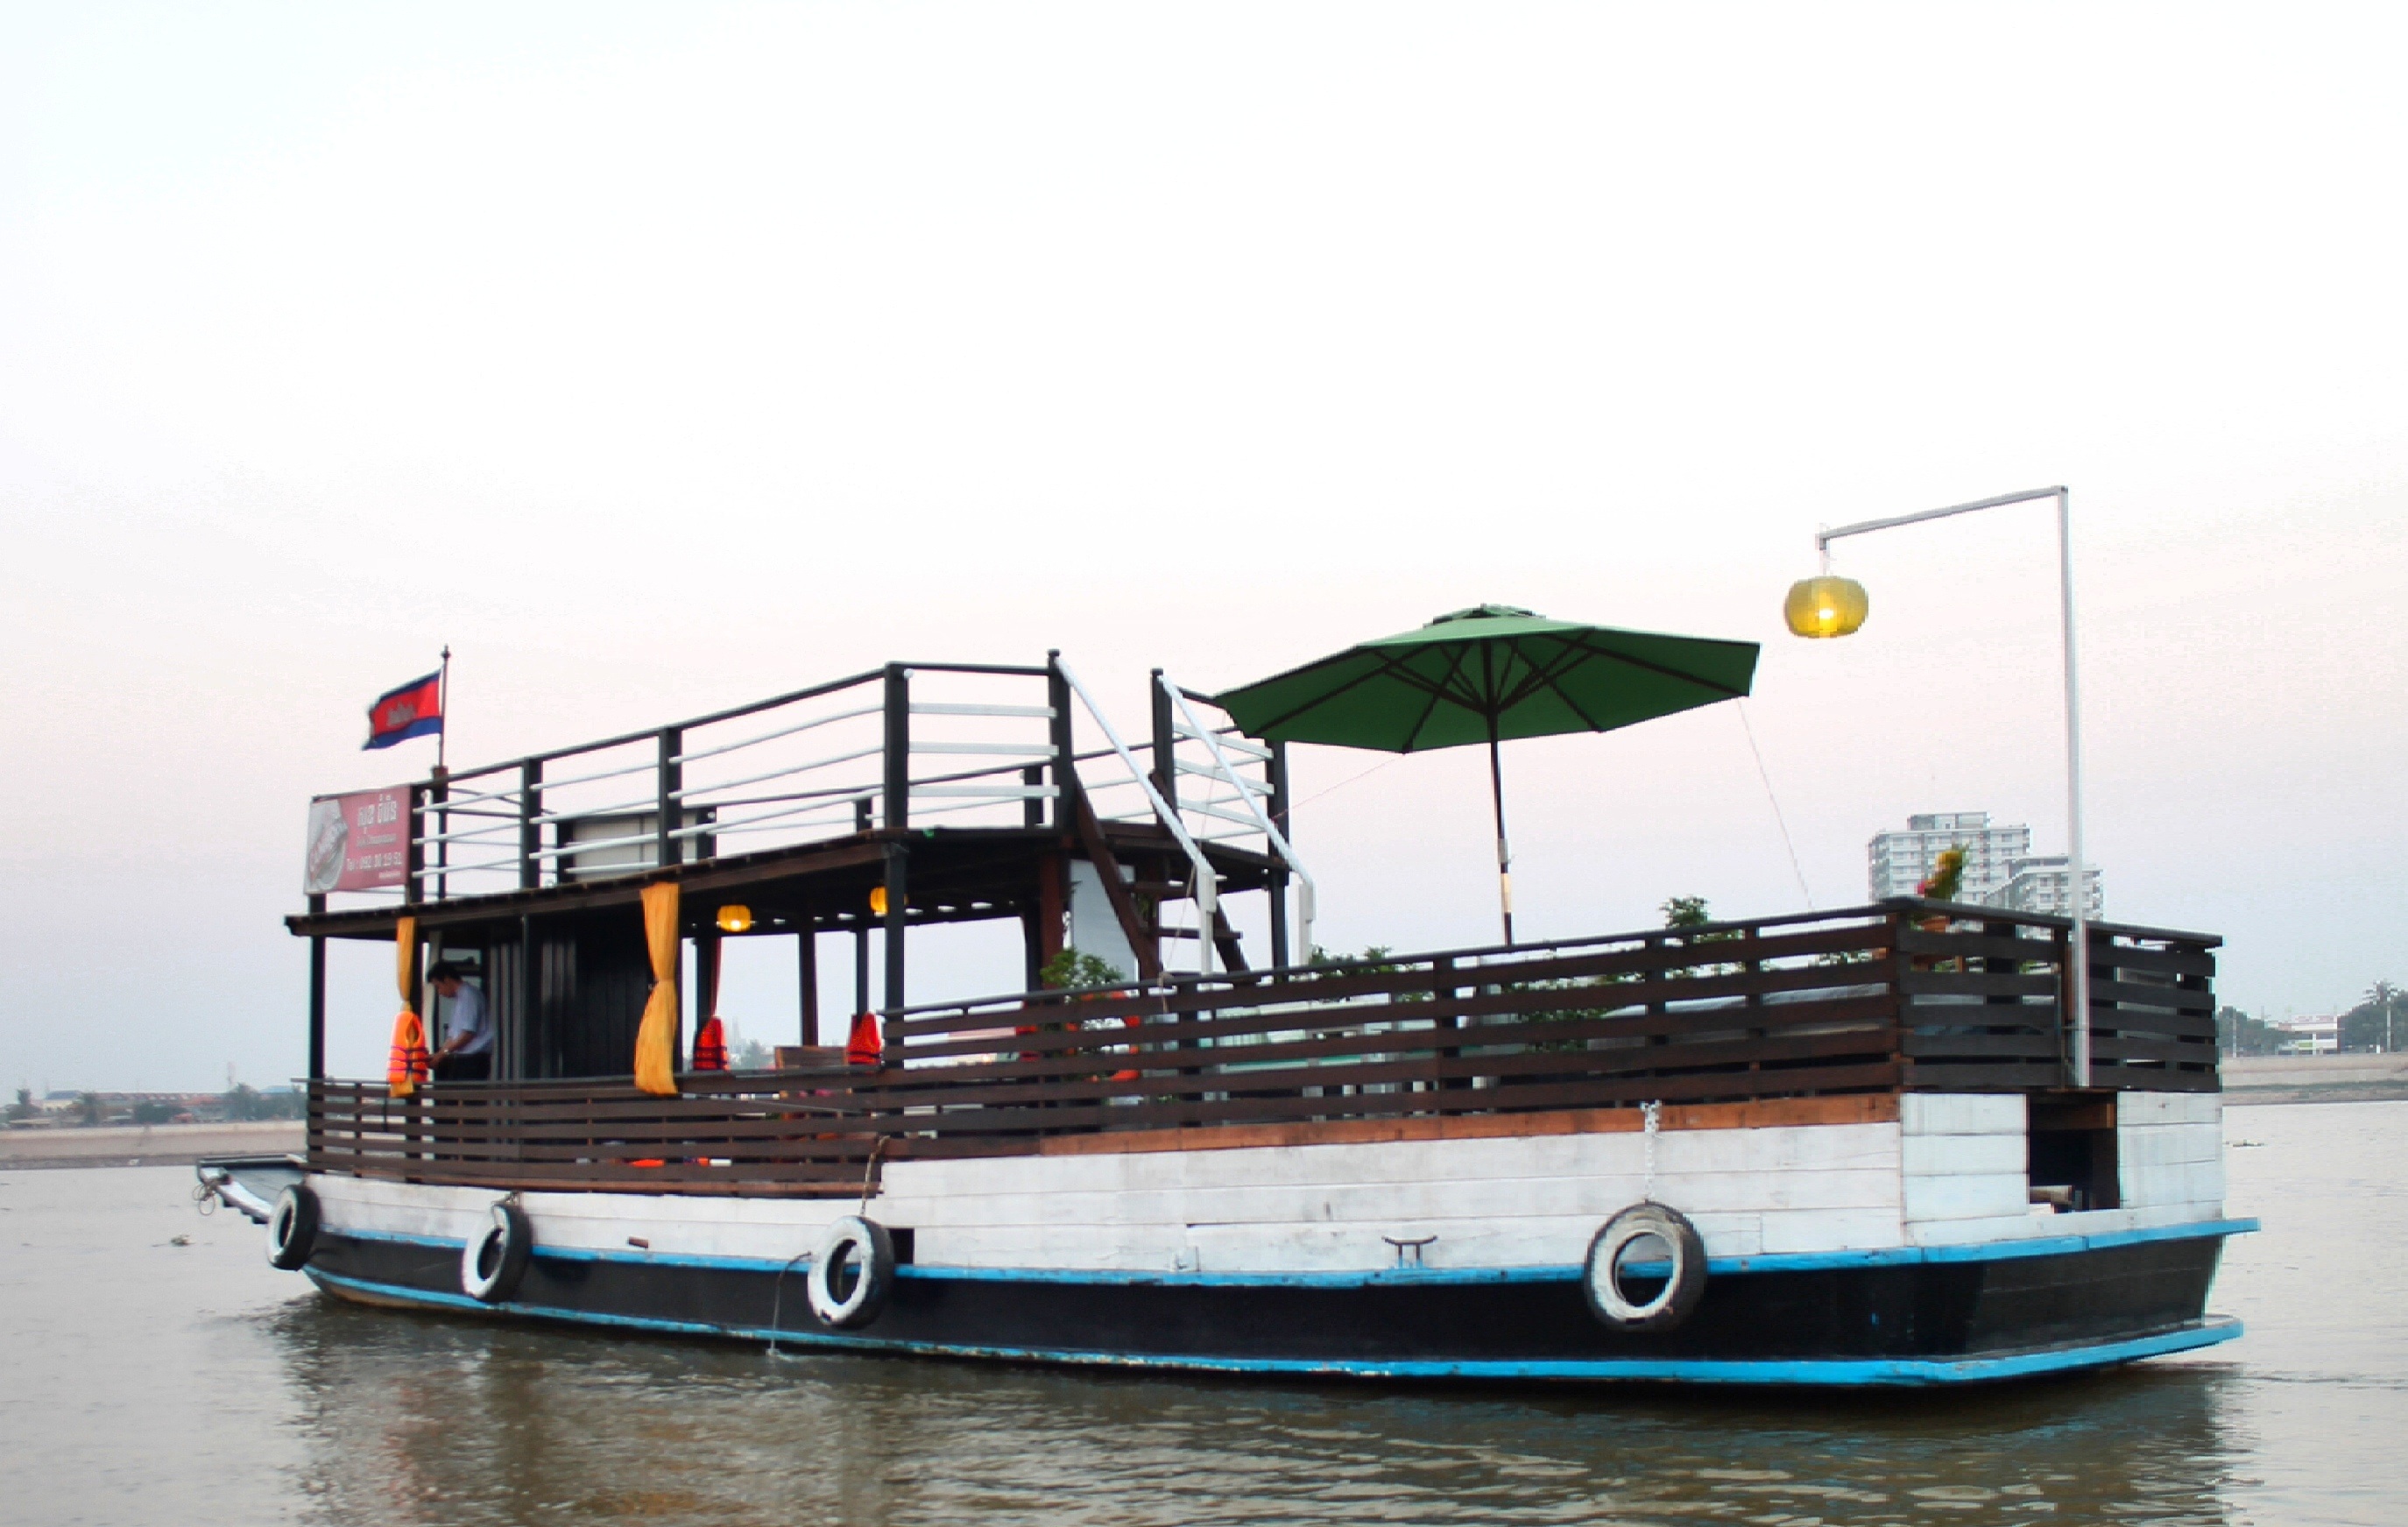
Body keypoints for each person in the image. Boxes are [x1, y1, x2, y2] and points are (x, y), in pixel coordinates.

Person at [428, 962, 491, 1082]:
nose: (440, 992)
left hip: (473, 1059)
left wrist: (443, 1054)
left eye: (438, 987)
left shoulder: (469, 995)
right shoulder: (460, 999)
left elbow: (467, 1034)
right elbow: (453, 1037)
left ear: (446, 980)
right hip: (463, 1059)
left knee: (468, 1098)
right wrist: (438, 1055)